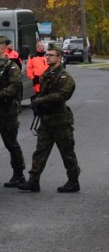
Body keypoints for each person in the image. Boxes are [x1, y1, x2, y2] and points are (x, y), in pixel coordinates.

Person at [18, 45, 81, 193]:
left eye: (51, 55)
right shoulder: (46, 74)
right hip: (46, 121)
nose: (47, 57)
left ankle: (73, 181)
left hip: (60, 122)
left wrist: (41, 101)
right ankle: (33, 181)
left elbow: (61, 95)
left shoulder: (65, 77)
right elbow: (42, 92)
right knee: (40, 152)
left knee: (67, 153)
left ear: (59, 57)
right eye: (47, 55)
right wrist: (38, 105)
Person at [0, 36, 27, 188]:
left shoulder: (11, 67)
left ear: (2, 49)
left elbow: (13, 89)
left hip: (7, 112)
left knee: (11, 144)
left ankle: (19, 174)